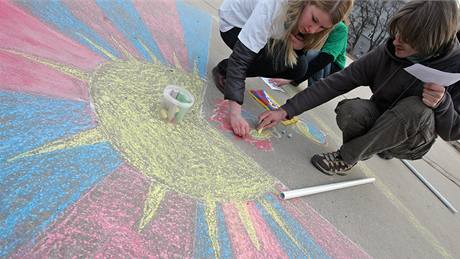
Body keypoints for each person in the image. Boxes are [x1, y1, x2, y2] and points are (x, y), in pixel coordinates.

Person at [257, 0, 460, 176]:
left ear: (428, 44)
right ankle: (375, 146)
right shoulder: (388, 51)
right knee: (350, 112)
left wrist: (442, 104)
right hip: (379, 119)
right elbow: (337, 82)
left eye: (405, 40)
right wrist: (286, 110)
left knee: (417, 109)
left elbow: (453, 132)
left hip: (412, 141)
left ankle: (346, 158)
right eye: (397, 32)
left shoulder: (454, 71)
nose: (396, 40)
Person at [212, 0, 354, 137]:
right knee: (271, 59)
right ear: (306, 1)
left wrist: (298, 49)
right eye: (314, 19)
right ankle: (224, 70)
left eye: (322, 27)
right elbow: (241, 58)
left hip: (266, 33)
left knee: (298, 67)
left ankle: (230, 72)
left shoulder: (307, 19)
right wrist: (235, 113)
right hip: (235, 25)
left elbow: (294, 60)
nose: (312, 30)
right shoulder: (273, 5)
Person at [269, 19, 349, 88]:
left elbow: (324, 59)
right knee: (306, 50)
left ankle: (315, 89)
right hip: (322, 58)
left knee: (312, 54)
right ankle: (289, 73)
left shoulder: (340, 28)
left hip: (333, 67)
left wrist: (293, 79)